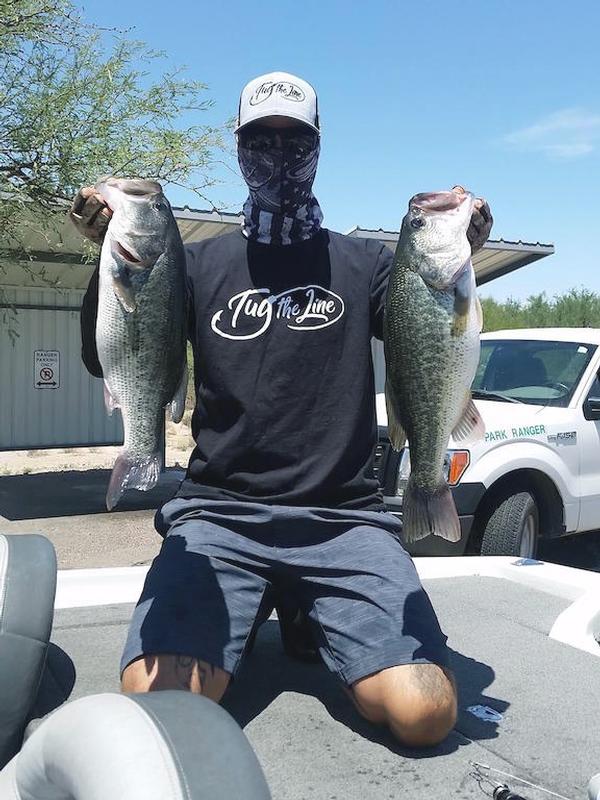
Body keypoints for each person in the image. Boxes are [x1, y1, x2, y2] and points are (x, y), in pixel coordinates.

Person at [70, 71, 492, 748]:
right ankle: (280, 600)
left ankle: (307, 605)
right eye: (260, 140)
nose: (277, 155)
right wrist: (107, 263)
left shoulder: (369, 266)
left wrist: (462, 246)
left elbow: (430, 337)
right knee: (156, 705)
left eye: (293, 140)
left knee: (427, 713)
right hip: (220, 516)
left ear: (318, 147)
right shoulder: (195, 263)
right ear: (237, 149)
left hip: (342, 520)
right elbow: (111, 356)